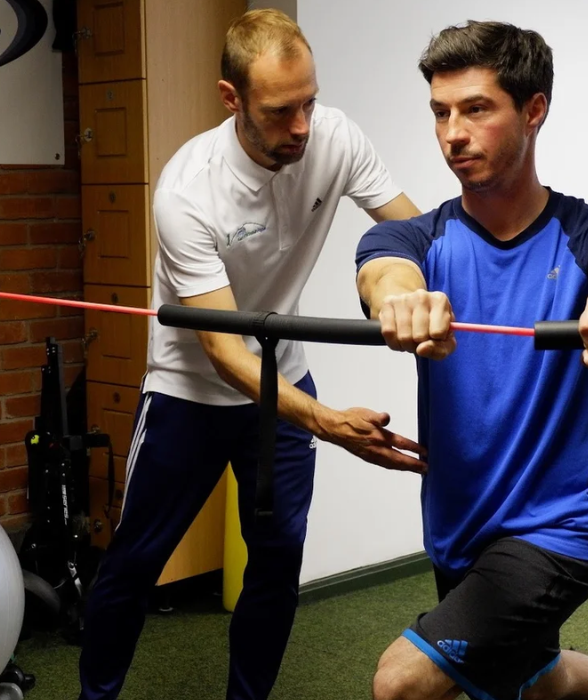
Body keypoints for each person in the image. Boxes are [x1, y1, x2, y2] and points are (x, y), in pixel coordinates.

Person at [78, 9, 425, 700]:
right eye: (280, 111)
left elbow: (417, 230)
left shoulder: (333, 137)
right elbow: (223, 352)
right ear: (231, 98)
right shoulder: (187, 191)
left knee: (274, 567)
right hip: (191, 393)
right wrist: (326, 421)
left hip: (283, 378)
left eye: (309, 103)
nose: (301, 126)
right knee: (135, 564)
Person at [354, 21, 588, 700]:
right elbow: (384, 275)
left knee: (404, 684)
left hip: (561, 529)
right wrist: (401, 301)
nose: (452, 133)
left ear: (534, 110)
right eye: (441, 112)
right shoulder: (414, 236)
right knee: (534, 679)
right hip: (459, 527)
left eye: (476, 109)